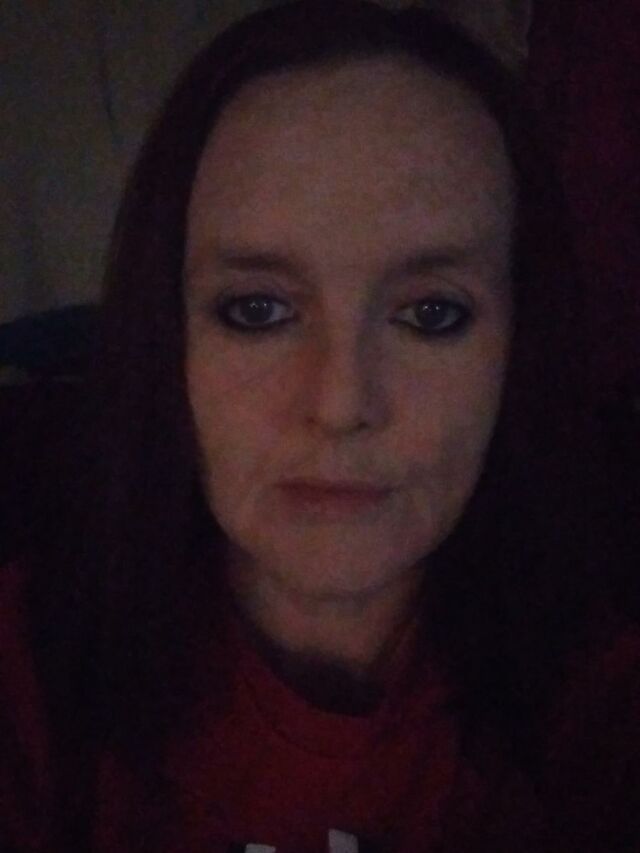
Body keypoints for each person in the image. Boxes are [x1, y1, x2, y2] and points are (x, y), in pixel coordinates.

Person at [1, 2, 638, 851]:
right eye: (258, 310)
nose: (340, 404)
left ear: (519, 346)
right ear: (168, 338)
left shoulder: (601, 711)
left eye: (432, 313)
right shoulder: (31, 676)